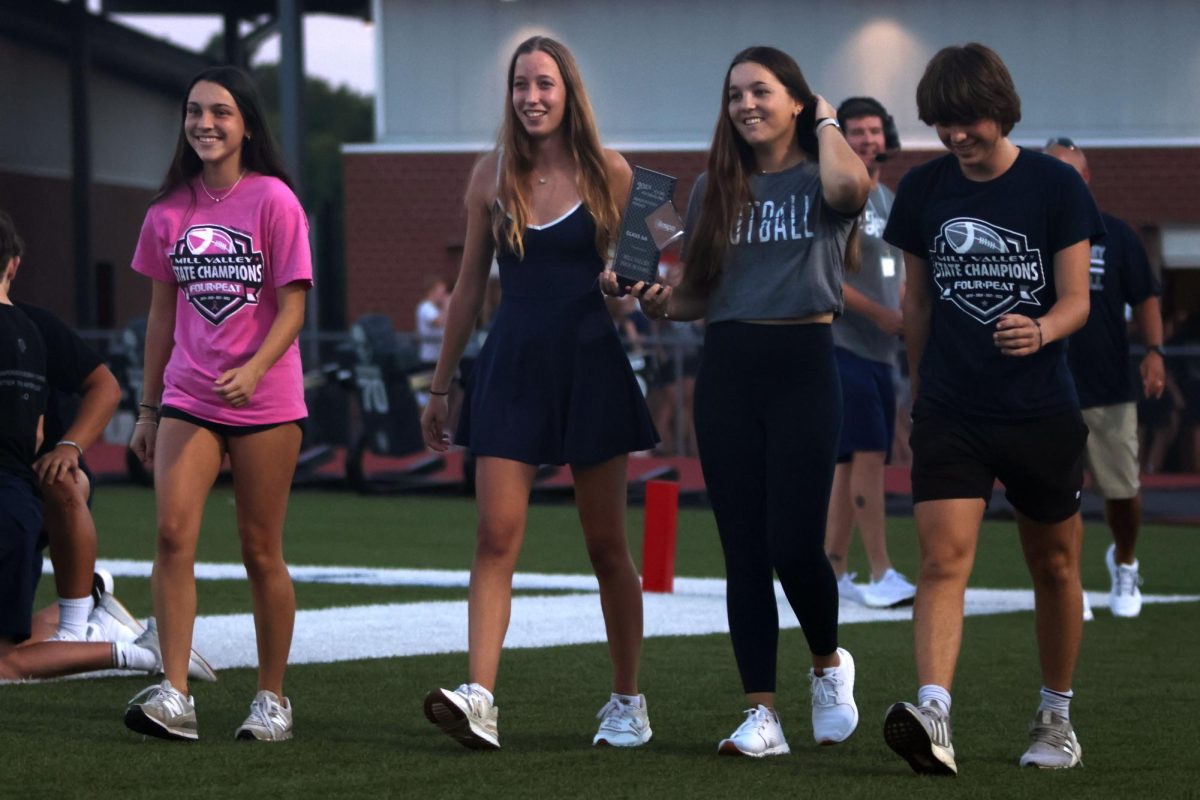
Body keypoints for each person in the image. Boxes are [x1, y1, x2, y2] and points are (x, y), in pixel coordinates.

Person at [628, 46, 870, 756]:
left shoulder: (823, 176)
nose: (745, 105)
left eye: (761, 91)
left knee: (795, 543)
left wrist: (826, 118)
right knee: (743, 550)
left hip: (804, 364)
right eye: (734, 94)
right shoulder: (713, 187)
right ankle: (761, 713)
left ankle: (828, 665)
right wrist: (653, 301)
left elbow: (854, 193)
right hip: (730, 366)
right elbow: (698, 296)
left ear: (797, 99)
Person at [420, 35, 658, 750]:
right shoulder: (489, 175)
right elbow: (467, 292)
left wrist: (626, 283)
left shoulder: (612, 172)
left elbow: (642, 281)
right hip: (512, 366)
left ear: (568, 91)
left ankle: (627, 700)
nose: (531, 97)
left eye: (545, 84)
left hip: (590, 365)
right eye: (521, 84)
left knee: (606, 545)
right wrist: (438, 387)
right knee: (494, 537)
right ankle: (481, 699)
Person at [879, 44, 1102, 774]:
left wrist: (1040, 328)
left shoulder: (1053, 186)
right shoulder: (923, 189)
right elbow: (915, 302)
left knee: (1056, 565)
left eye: (967, 120)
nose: (955, 136)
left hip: (1040, 409)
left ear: (1000, 110)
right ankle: (935, 712)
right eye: (941, 124)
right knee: (942, 560)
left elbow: (1077, 300)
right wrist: (918, 389)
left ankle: (1055, 717)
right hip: (951, 408)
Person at [125, 66, 312, 742]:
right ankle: (174, 694)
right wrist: (147, 409)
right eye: (195, 112)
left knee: (260, 549)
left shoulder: (274, 201)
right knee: (173, 534)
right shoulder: (167, 210)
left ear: (247, 126)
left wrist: (255, 368)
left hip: (267, 399)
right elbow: (158, 319)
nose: (205, 123)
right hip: (188, 397)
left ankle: (272, 699)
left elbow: (294, 306)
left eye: (221, 113)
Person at [1, 210, 216, 683]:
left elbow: (103, 386)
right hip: (16, 491)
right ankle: (96, 610)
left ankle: (93, 631)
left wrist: (70, 446)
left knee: (63, 479)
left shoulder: (32, 326)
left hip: (29, 487)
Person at [1045, 137, 1165, 619]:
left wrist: (1155, 351)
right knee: (1060, 494)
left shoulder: (1115, 234)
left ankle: (1126, 561)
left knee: (1122, 493)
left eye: (1070, 172)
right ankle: (1069, 581)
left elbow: (1147, 295)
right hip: (1049, 386)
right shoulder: (1032, 233)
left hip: (1109, 385)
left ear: (1086, 178)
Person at [823, 97, 916, 609]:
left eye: (875, 131)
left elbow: (898, 274)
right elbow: (825, 274)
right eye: (855, 132)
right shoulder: (839, 192)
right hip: (845, 344)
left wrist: (906, 313)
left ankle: (832, 569)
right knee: (867, 454)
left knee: (846, 461)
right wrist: (880, 316)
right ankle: (881, 571)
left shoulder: (887, 196)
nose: (867, 140)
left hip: (881, 349)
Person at [415, 275, 450, 369]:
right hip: (430, 360)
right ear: (431, 292)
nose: (444, 296)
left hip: (441, 358)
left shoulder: (438, 309)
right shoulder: (426, 307)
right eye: (442, 293)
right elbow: (437, 322)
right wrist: (447, 306)